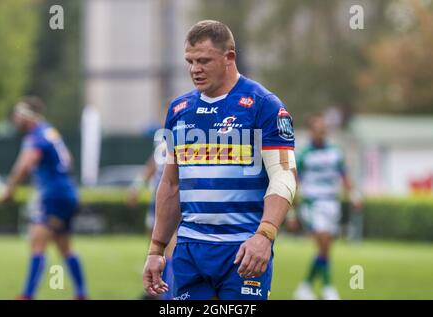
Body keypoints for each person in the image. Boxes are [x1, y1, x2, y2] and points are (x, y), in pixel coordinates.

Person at [142, 20, 297, 300]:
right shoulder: (179, 110)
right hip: (190, 251)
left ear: (229, 57)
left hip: (243, 251)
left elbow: (284, 175)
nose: (194, 69)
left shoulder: (264, 105)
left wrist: (265, 235)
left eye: (203, 60)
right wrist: (156, 249)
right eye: (190, 61)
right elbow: (171, 185)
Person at [0, 96, 87, 300]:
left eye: (17, 115)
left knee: (37, 243)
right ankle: (81, 293)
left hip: (53, 196)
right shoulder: (50, 131)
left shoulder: (35, 135)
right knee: (64, 246)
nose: (14, 119)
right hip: (67, 192)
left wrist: (10, 189)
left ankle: (27, 295)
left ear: (27, 116)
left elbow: (26, 164)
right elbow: (69, 160)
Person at [293, 114, 361, 300]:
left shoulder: (335, 151)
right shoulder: (304, 154)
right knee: (323, 244)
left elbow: (344, 175)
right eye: (318, 129)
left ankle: (305, 286)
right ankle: (328, 287)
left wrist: (354, 194)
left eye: (324, 129)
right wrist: (291, 212)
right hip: (313, 203)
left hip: (333, 203)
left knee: (325, 249)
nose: (321, 132)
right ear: (311, 131)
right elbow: (294, 181)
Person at [128, 140, 175, 300]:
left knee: (169, 249)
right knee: (154, 249)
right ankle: (157, 289)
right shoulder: (163, 144)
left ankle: (167, 295)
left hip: (173, 201)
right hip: (156, 203)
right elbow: (150, 168)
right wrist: (136, 187)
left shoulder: (184, 138)